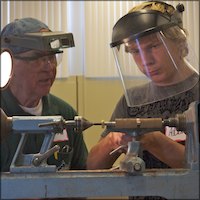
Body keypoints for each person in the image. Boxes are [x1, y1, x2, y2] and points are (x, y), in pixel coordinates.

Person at [87, 1, 199, 173]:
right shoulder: (133, 100)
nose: (146, 60)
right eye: (135, 51)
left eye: (153, 46)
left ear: (180, 42)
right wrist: (112, 140)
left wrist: (153, 141)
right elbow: (92, 167)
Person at [0, 17, 88, 172]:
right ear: (9, 63)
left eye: (52, 57)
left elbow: (81, 176)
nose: (49, 67)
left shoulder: (65, 113)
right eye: (37, 58)